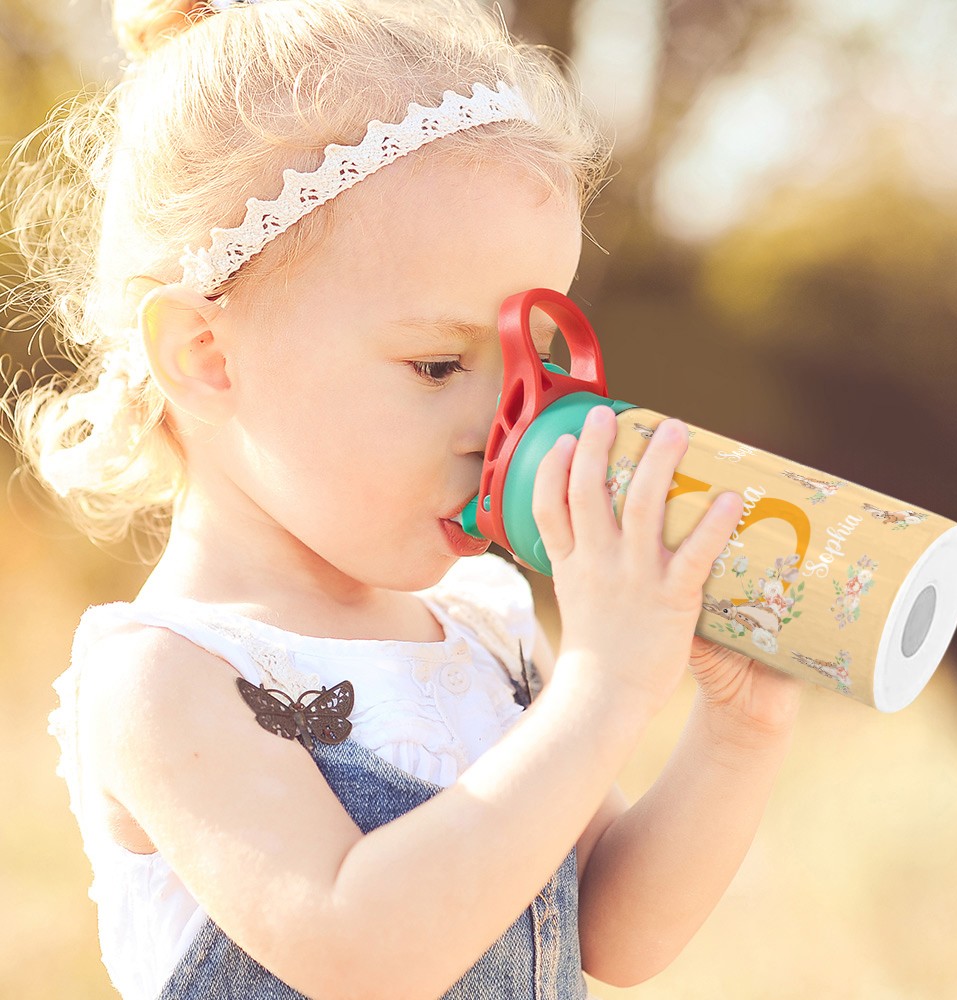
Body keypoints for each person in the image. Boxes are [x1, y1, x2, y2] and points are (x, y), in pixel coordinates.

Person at [2, 1, 803, 996]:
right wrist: (604, 691)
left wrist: (736, 734)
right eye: (436, 364)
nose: (503, 423)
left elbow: (607, 933)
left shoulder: (485, 635)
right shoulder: (167, 677)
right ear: (206, 355)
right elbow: (361, 950)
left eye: (530, 367)